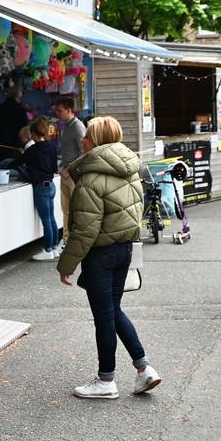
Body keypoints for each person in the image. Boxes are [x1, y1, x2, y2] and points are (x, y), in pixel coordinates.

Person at [57, 116, 161, 399]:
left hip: (100, 255)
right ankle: (144, 369)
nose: (82, 140)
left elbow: (84, 230)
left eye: (87, 136)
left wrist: (66, 264)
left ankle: (106, 381)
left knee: (103, 317)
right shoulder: (131, 171)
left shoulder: (90, 178)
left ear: (97, 141)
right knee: (113, 311)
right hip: (124, 250)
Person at [10, 116, 60, 261]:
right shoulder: (52, 147)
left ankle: (48, 250)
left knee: (46, 221)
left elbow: (16, 163)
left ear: (32, 134)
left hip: (40, 187)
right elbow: (54, 168)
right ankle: (55, 248)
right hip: (50, 185)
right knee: (51, 218)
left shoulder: (32, 150)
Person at [54, 97, 86, 245]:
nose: (57, 114)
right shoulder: (66, 126)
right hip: (65, 174)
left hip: (74, 175)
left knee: (76, 209)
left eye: (60, 111)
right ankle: (67, 239)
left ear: (69, 110)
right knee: (65, 209)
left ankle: (76, 239)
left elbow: (85, 152)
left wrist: (70, 169)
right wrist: (62, 169)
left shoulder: (78, 127)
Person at [0, 79, 29, 162]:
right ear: (19, 96)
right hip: (16, 147)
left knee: (4, 168)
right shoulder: (20, 110)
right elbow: (25, 129)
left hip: (2, 146)